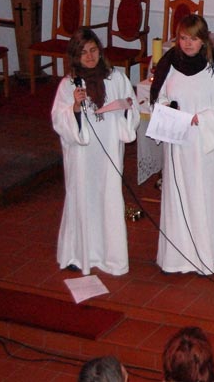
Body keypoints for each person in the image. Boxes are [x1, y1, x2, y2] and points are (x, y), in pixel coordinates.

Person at [52, 29, 139, 276]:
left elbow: (131, 110)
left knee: (108, 197)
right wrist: (75, 108)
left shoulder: (116, 78)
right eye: (83, 52)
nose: (89, 57)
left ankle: (111, 257)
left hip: (108, 148)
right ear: (75, 56)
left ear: (100, 51)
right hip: (82, 155)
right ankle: (78, 254)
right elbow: (59, 119)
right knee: (82, 197)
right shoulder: (68, 84)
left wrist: (125, 108)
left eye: (93, 50)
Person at [151, 14, 214, 275]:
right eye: (183, 38)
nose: (187, 44)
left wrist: (204, 117)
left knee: (204, 194)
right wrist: (167, 107)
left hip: (203, 141)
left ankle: (209, 252)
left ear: (204, 40)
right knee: (178, 194)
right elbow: (159, 97)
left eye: (193, 39)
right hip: (178, 140)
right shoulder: (169, 63)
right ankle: (177, 256)